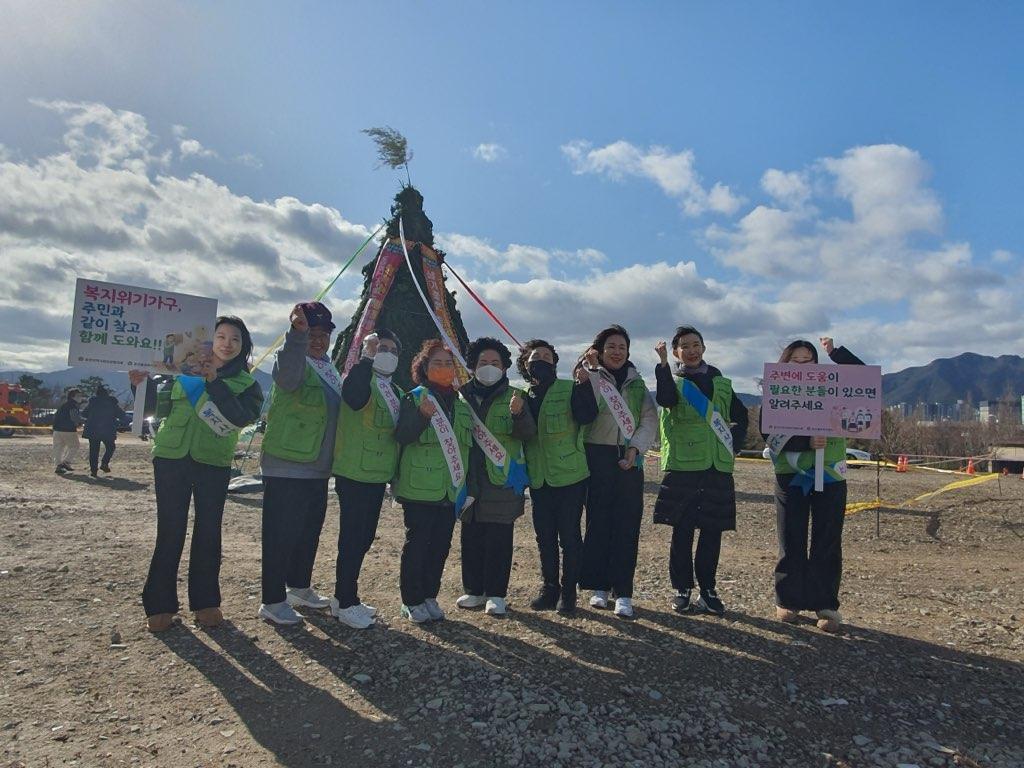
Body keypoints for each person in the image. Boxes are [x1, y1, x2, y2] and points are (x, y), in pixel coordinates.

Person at [137, 316, 263, 632]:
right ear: (210, 340)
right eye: (221, 336)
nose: (227, 343)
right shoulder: (179, 374)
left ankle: (206, 603)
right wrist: (138, 384)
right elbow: (156, 408)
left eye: (235, 339)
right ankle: (159, 605)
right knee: (170, 530)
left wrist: (214, 384)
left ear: (243, 346)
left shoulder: (249, 384)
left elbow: (240, 418)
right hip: (171, 456)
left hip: (213, 461)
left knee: (208, 532)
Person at [764, 336, 864, 633]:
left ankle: (826, 604)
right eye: (797, 361)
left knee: (827, 539)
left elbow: (863, 378)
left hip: (831, 473)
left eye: (810, 360)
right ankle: (788, 599)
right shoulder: (778, 391)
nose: (804, 366)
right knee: (790, 537)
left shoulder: (836, 391)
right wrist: (805, 442)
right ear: (786, 364)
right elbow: (768, 432)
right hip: (791, 473)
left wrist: (836, 353)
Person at [653, 326, 748, 617]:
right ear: (676, 352)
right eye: (685, 346)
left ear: (704, 348)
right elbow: (666, 399)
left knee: (712, 532)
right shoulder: (674, 381)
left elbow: (741, 417)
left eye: (696, 345)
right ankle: (682, 588)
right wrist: (662, 366)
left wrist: (734, 446)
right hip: (684, 465)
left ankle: (708, 589)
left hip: (716, 467)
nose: (692, 350)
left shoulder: (721, 382)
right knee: (681, 531)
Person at [258, 303, 340, 626]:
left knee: (308, 532)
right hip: (287, 465)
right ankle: (272, 600)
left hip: (317, 468)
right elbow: (288, 380)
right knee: (280, 535)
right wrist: (296, 336)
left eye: (324, 334)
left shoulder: (328, 367)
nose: (318, 340)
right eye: (313, 334)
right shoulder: (292, 359)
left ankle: (299, 586)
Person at [577, 325, 658, 618]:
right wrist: (592, 373)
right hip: (595, 454)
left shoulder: (637, 384)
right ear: (599, 349)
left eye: (622, 347)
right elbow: (587, 409)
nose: (617, 352)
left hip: (629, 456)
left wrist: (636, 448)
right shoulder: (588, 374)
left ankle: (623, 590)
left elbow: (649, 419)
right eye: (611, 346)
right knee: (598, 522)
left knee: (627, 524)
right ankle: (598, 586)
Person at [393, 340, 473, 623]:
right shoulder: (414, 397)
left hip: (450, 488)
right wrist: (422, 417)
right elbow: (402, 435)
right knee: (418, 543)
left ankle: (429, 595)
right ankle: (411, 600)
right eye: (436, 363)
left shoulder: (461, 403)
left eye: (448, 363)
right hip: (419, 487)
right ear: (424, 368)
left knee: (441, 544)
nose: (443, 368)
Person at [455, 337, 536, 617]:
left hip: (502, 478)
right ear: (472, 366)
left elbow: (527, 434)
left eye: (495, 363)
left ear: (504, 367)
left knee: (499, 538)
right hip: (470, 477)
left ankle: (497, 594)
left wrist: (518, 415)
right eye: (483, 363)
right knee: (471, 535)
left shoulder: (517, 396)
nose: (488, 367)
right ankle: (474, 590)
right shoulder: (461, 396)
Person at [331, 328, 404, 629]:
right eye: (379, 348)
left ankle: (346, 596)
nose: (385, 354)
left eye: (391, 350)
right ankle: (344, 600)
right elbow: (355, 399)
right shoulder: (360, 378)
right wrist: (365, 360)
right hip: (354, 472)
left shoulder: (395, 390)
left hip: (377, 475)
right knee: (352, 537)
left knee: (365, 537)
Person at [517, 339, 598, 614]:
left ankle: (569, 592)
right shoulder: (522, 395)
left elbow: (587, 416)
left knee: (570, 536)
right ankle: (549, 588)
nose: (540, 359)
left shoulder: (569, 387)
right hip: (539, 478)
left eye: (546, 355)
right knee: (545, 536)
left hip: (570, 476)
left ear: (554, 361)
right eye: (534, 356)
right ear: (525, 364)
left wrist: (585, 385)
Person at [82, 385, 126, 478]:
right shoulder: (112, 403)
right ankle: (104, 463)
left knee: (93, 451)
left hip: (93, 429)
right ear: (107, 394)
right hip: (108, 429)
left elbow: (84, 414)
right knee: (111, 447)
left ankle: (93, 471)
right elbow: (122, 415)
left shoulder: (92, 403)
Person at [52, 388, 84, 474]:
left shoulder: (63, 405)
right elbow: (75, 418)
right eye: (79, 395)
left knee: (58, 447)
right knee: (75, 446)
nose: (81, 397)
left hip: (57, 429)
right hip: (68, 430)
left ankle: (58, 465)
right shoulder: (73, 405)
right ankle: (66, 462)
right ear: (73, 397)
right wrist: (82, 422)